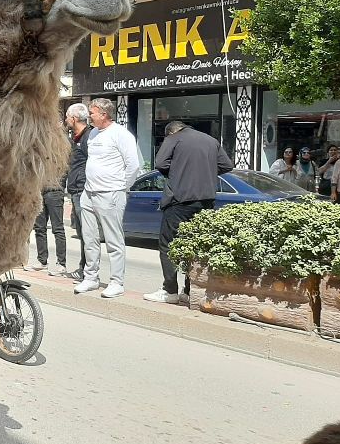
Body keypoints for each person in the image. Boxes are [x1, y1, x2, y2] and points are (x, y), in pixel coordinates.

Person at [143, 121, 233, 305]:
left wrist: (178, 172)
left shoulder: (174, 138)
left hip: (179, 200)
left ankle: (170, 291)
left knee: (168, 245)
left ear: (170, 132)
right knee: (196, 246)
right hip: (206, 201)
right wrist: (203, 171)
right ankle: (190, 290)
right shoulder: (210, 140)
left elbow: (160, 163)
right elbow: (226, 165)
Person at [74, 97, 140, 299]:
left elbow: (134, 165)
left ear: (103, 114)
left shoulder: (121, 134)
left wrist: (121, 188)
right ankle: (91, 277)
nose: (89, 116)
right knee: (89, 238)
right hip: (89, 193)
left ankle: (116, 282)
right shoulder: (93, 133)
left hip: (110, 193)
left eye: (92, 112)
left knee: (113, 240)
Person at [65, 103, 91, 282]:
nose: (66, 120)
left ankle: (87, 270)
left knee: (88, 233)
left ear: (74, 119)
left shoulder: (89, 137)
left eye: (67, 117)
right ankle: (84, 268)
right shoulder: (75, 138)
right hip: (75, 190)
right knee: (82, 232)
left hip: (83, 190)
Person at [28, 180, 68, 276]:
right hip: (40, 192)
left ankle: (61, 264)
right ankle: (42, 260)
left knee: (58, 229)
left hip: (55, 191)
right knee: (39, 228)